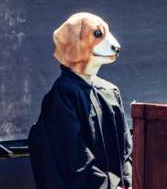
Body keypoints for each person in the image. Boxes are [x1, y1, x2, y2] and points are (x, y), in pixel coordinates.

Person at [28, 13, 132, 189]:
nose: (115, 45)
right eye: (97, 34)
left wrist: (128, 182)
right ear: (74, 41)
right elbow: (72, 157)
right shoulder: (61, 97)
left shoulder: (110, 92)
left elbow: (125, 148)